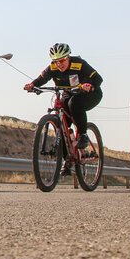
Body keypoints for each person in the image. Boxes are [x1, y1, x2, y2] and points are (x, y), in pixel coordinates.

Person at [24, 43, 103, 176]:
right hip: (68, 93)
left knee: (74, 104)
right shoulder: (53, 67)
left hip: (90, 93)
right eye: (56, 61)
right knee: (61, 127)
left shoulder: (79, 64)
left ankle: (83, 134)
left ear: (68, 57)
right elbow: (42, 78)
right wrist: (32, 85)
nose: (59, 64)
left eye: (62, 61)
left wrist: (89, 85)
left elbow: (98, 78)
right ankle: (67, 160)